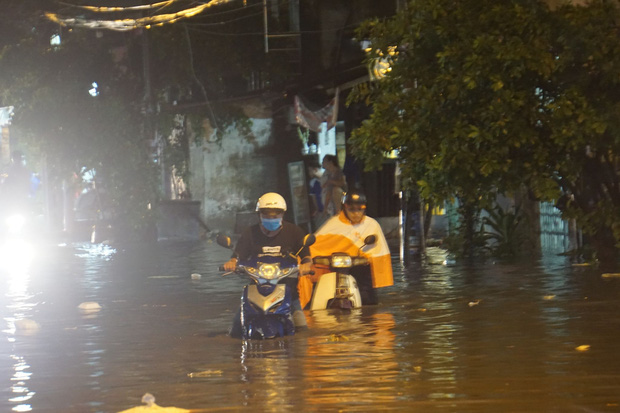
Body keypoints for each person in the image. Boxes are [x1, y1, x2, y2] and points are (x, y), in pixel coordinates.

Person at [222, 192, 313, 335]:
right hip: (255, 290)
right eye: (267, 216)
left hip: (288, 292)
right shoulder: (250, 233)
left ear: (282, 215)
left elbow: (306, 256)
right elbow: (237, 256)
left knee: (303, 334)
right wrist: (232, 263)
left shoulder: (294, 232)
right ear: (259, 216)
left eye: (275, 216)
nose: (271, 219)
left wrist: (306, 265)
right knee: (235, 331)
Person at [307, 190, 393, 306]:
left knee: (368, 301)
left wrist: (368, 258)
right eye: (352, 209)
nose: (356, 213)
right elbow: (317, 245)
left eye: (360, 209)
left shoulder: (371, 225)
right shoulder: (333, 224)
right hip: (335, 268)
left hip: (361, 269)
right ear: (344, 208)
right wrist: (307, 257)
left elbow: (378, 251)